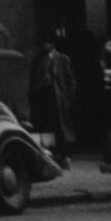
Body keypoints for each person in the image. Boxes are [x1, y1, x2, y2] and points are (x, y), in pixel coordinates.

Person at [30, 29, 78, 158]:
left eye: (46, 43)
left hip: (58, 97)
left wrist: (68, 98)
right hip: (43, 96)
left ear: (52, 44)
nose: (44, 45)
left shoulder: (63, 59)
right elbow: (32, 80)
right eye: (43, 43)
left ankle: (64, 153)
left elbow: (71, 81)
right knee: (45, 125)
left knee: (60, 126)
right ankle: (50, 152)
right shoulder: (38, 60)